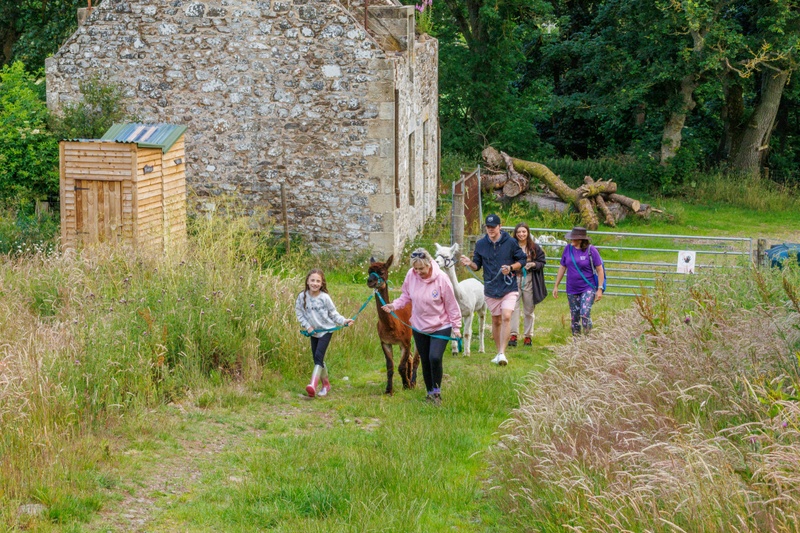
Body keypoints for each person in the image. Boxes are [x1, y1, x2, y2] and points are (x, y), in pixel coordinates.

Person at [381, 248, 462, 405]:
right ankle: (429, 392)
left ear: (429, 264)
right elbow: (406, 295)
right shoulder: (411, 275)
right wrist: (394, 305)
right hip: (419, 325)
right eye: (415, 268)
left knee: (435, 357)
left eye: (421, 269)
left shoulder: (442, 279)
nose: (418, 272)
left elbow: (452, 305)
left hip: (440, 325)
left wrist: (456, 327)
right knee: (425, 359)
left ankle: (437, 393)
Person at [459, 214, 527, 366]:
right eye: (488, 227)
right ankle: (498, 352)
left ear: (499, 226)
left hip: (508, 286)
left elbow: (522, 260)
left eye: (493, 227)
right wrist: (470, 263)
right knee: (496, 320)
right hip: (490, 288)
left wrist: (510, 267)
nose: (490, 230)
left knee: (507, 316)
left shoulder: (510, 242)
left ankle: (502, 353)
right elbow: (477, 265)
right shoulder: (481, 244)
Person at [295, 268, 354, 397]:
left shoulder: (325, 298)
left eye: (318, 281)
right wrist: (307, 326)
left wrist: (344, 321)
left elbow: (333, 314)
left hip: (327, 330)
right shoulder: (302, 296)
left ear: (322, 283)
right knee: (317, 358)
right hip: (313, 331)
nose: (315, 283)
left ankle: (312, 385)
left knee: (318, 357)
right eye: (312, 280)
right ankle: (326, 385)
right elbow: (299, 312)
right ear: (307, 281)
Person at [552, 226, 605, 336]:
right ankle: (577, 343)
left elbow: (600, 270)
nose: (571, 240)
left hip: (588, 287)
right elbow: (562, 267)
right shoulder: (568, 249)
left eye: (574, 238)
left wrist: (599, 288)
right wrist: (556, 285)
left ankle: (588, 339)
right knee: (574, 317)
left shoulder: (591, 250)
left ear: (581, 239)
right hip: (572, 288)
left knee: (585, 313)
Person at [509, 222, 547, 347]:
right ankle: (513, 334)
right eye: (519, 232)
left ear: (528, 233)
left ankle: (528, 336)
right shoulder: (511, 246)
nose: (521, 234)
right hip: (514, 279)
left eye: (524, 232)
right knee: (513, 307)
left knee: (529, 308)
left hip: (529, 279)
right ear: (516, 233)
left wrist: (534, 264)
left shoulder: (534, 247)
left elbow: (542, 261)